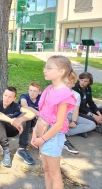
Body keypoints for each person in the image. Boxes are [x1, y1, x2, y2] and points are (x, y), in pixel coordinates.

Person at [31, 55, 76, 189]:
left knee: (54, 173)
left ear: (61, 71)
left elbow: (58, 124)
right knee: (46, 168)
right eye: (45, 66)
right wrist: (35, 132)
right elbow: (43, 113)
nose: (45, 70)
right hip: (43, 131)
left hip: (52, 136)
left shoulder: (64, 94)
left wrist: (42, 139)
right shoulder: (50, 88)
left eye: (49, 67)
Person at [0, 87, 37, 167]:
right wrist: (12, 121)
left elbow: (32, 114)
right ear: (2, 95)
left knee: (26, 117)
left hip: (13, 129)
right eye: (5, 95)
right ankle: (6, 151)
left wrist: (20, 119)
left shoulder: (15, 106)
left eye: (10, 97)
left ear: (14, 98)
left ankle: (22, 149)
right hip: (1, 130)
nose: (7, 98)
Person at [63, 72, 96, 154]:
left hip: (70, 115)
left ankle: (66, 132)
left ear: (73, 85)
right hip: (58, 116)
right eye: (65, 83)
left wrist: (74, 121)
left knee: (92, 124)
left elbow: (76, 110)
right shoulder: (56, 92)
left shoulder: (76, 95)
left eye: (69, 83)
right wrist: (64, 121)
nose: (66, 85)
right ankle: (62, 131)